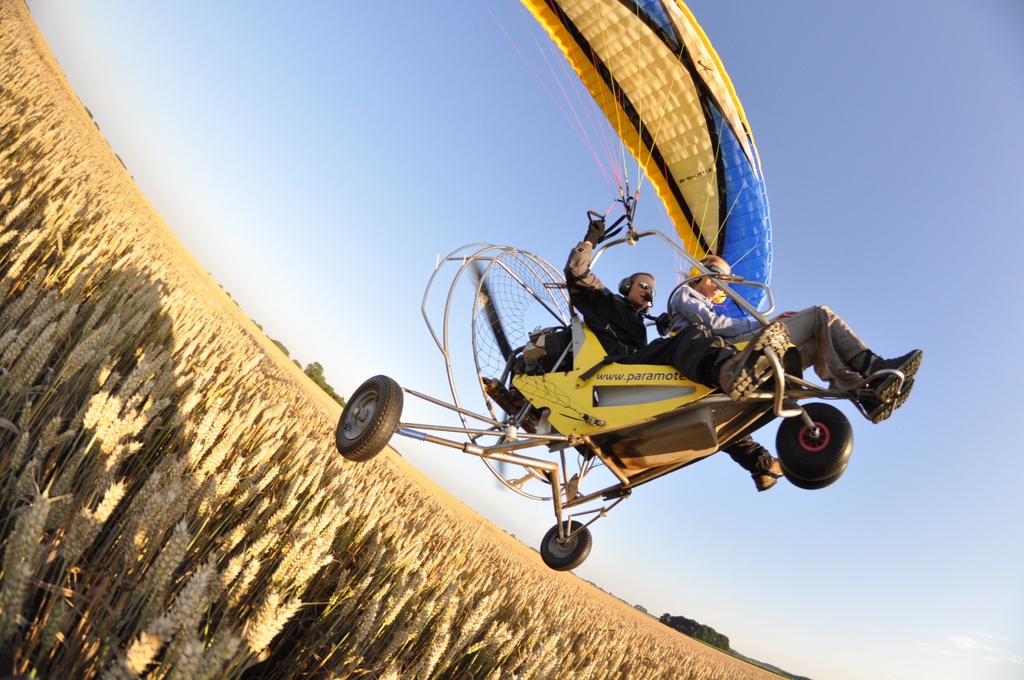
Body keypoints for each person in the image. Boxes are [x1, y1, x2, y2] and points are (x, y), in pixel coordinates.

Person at [564, 215, 789, 491]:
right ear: (626, 287)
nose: (649, 292)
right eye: (643, 285)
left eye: (653, 290)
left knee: (707, 397)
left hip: (633, 376)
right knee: (689, 340)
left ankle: (761, 463)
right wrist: (591, 239)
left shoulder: (638, 325)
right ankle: (732, 371)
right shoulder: (604, 301)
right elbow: (576, 272)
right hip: (607, 374)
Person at [668, 255, 922, 424]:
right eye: (715, 274)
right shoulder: (685, 294)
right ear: (698, 273)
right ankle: (874, 368)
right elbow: (716, 326)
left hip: (732, 348)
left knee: (816, 344)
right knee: (819, 315)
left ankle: (865, 393)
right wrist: (766, 322)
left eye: (725, 279)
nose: (720, 282)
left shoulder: (709, 305)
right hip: (725, 353)